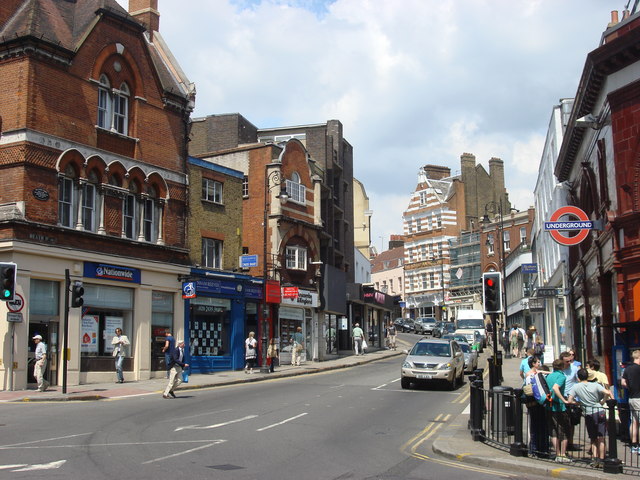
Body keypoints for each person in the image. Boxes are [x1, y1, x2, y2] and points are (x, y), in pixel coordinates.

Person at [568, 368, 612, 468]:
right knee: (601, 437)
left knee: (593, 438)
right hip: (600, 411)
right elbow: (608, 392)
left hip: (589, 413)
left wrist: (578, 403)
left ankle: (595, 459)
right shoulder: (595, 385)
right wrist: (603, 401)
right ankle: (602, 459)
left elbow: (570, 400)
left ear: (578, 378)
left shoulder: (576, 387)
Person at [546, 358, 572, 463]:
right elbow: (556, 388)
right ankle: (563, 454)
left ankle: (557, 454)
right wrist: (564, 400)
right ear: (562, 367)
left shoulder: (549, 376)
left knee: (553, 431)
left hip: (549, 406)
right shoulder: (561, 376)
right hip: (559, 407)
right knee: (564, 431)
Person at [524, 355, 549, 457]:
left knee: (535, 427)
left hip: (533, 403)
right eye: (538, 362)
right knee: (541, 427)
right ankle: (541, 450)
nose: (539, 364)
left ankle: (535, 450)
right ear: (533, 364)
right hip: (538, 403)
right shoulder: (533, 375)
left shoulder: (530, 374)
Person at [560, 350, 580, 450]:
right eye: (567, 361)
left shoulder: (575, 368)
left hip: (572, 398)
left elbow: (578, 381)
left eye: (570, 360)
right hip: (562, 398)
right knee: (563, 422)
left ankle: (570, 443)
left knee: (572, 422)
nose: (569, 362)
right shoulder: (559, 370)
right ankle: (563, 444)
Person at [622, 349, 640, 452]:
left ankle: (634, 445)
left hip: (631, 398)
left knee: (634, 421)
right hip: (639, 398)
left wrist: (630, 387)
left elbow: (623, 383)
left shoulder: (627, 369)